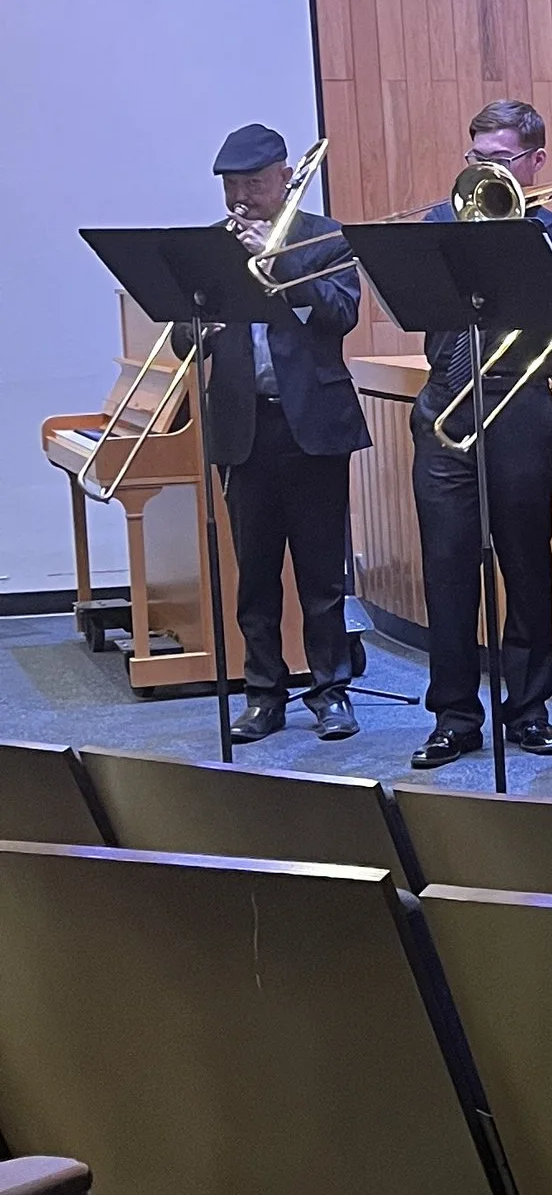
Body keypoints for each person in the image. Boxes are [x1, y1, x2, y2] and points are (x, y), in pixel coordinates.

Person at [407, 100, 552, 768]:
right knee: (447, 567)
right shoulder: (441, 225)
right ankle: (455, 716)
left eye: (500, 160)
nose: (485, 170)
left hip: (520, 404)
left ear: (536, 163)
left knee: (526, 563)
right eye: (477, 159)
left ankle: (527, 710)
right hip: (447, 403)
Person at [202, 122, 370, 741]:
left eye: (252, 184)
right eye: (231, 187)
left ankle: (331, 692)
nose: (241, 199)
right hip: (245, 425)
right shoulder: (215, 246)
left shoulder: (324, 238)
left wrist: (273, 267)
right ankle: (263, 695)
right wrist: (201, 328)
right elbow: (183, 333)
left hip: (313, 424)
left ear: (284, 178)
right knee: (255, 574)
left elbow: (341, 314)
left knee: (322, 573)